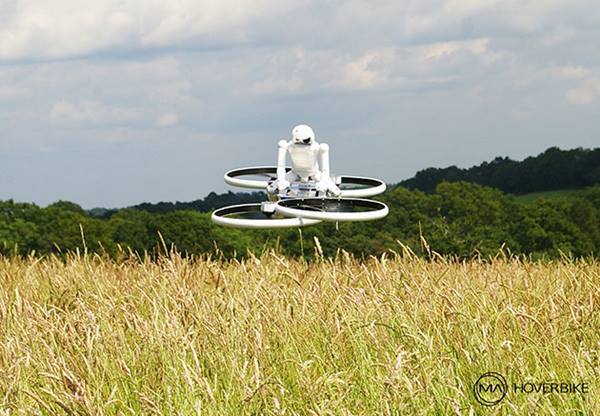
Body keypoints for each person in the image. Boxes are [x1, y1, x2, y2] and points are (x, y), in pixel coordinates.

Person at [270, 124, 341, 197]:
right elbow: (281, 166)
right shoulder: (286, 146)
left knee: (335, 193)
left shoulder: (319, 147)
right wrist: (281, 180)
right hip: (295, 172)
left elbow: (325, 170)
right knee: (271, 189)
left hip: (314, 173)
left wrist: (323, 182)